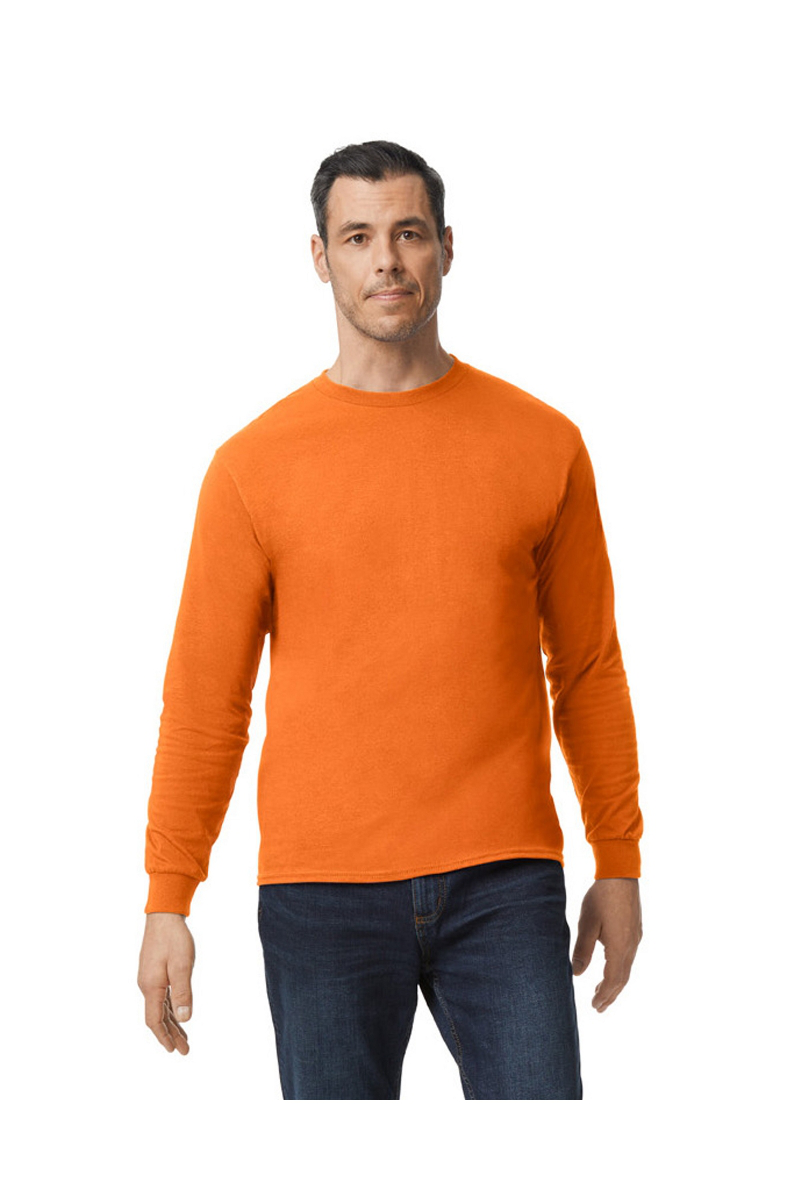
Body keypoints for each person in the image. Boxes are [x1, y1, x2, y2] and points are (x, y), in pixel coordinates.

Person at [137, 140, 643, 1100]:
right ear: (320, 257)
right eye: (358, 237)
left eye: (409, 233)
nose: (387, 261)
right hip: (320, 894)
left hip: (505, 880)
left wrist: (617, 859)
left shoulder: (544, 443)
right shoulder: (252, 467)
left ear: (447, 248)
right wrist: (169, 895)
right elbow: (206, 698)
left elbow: (588, 668)